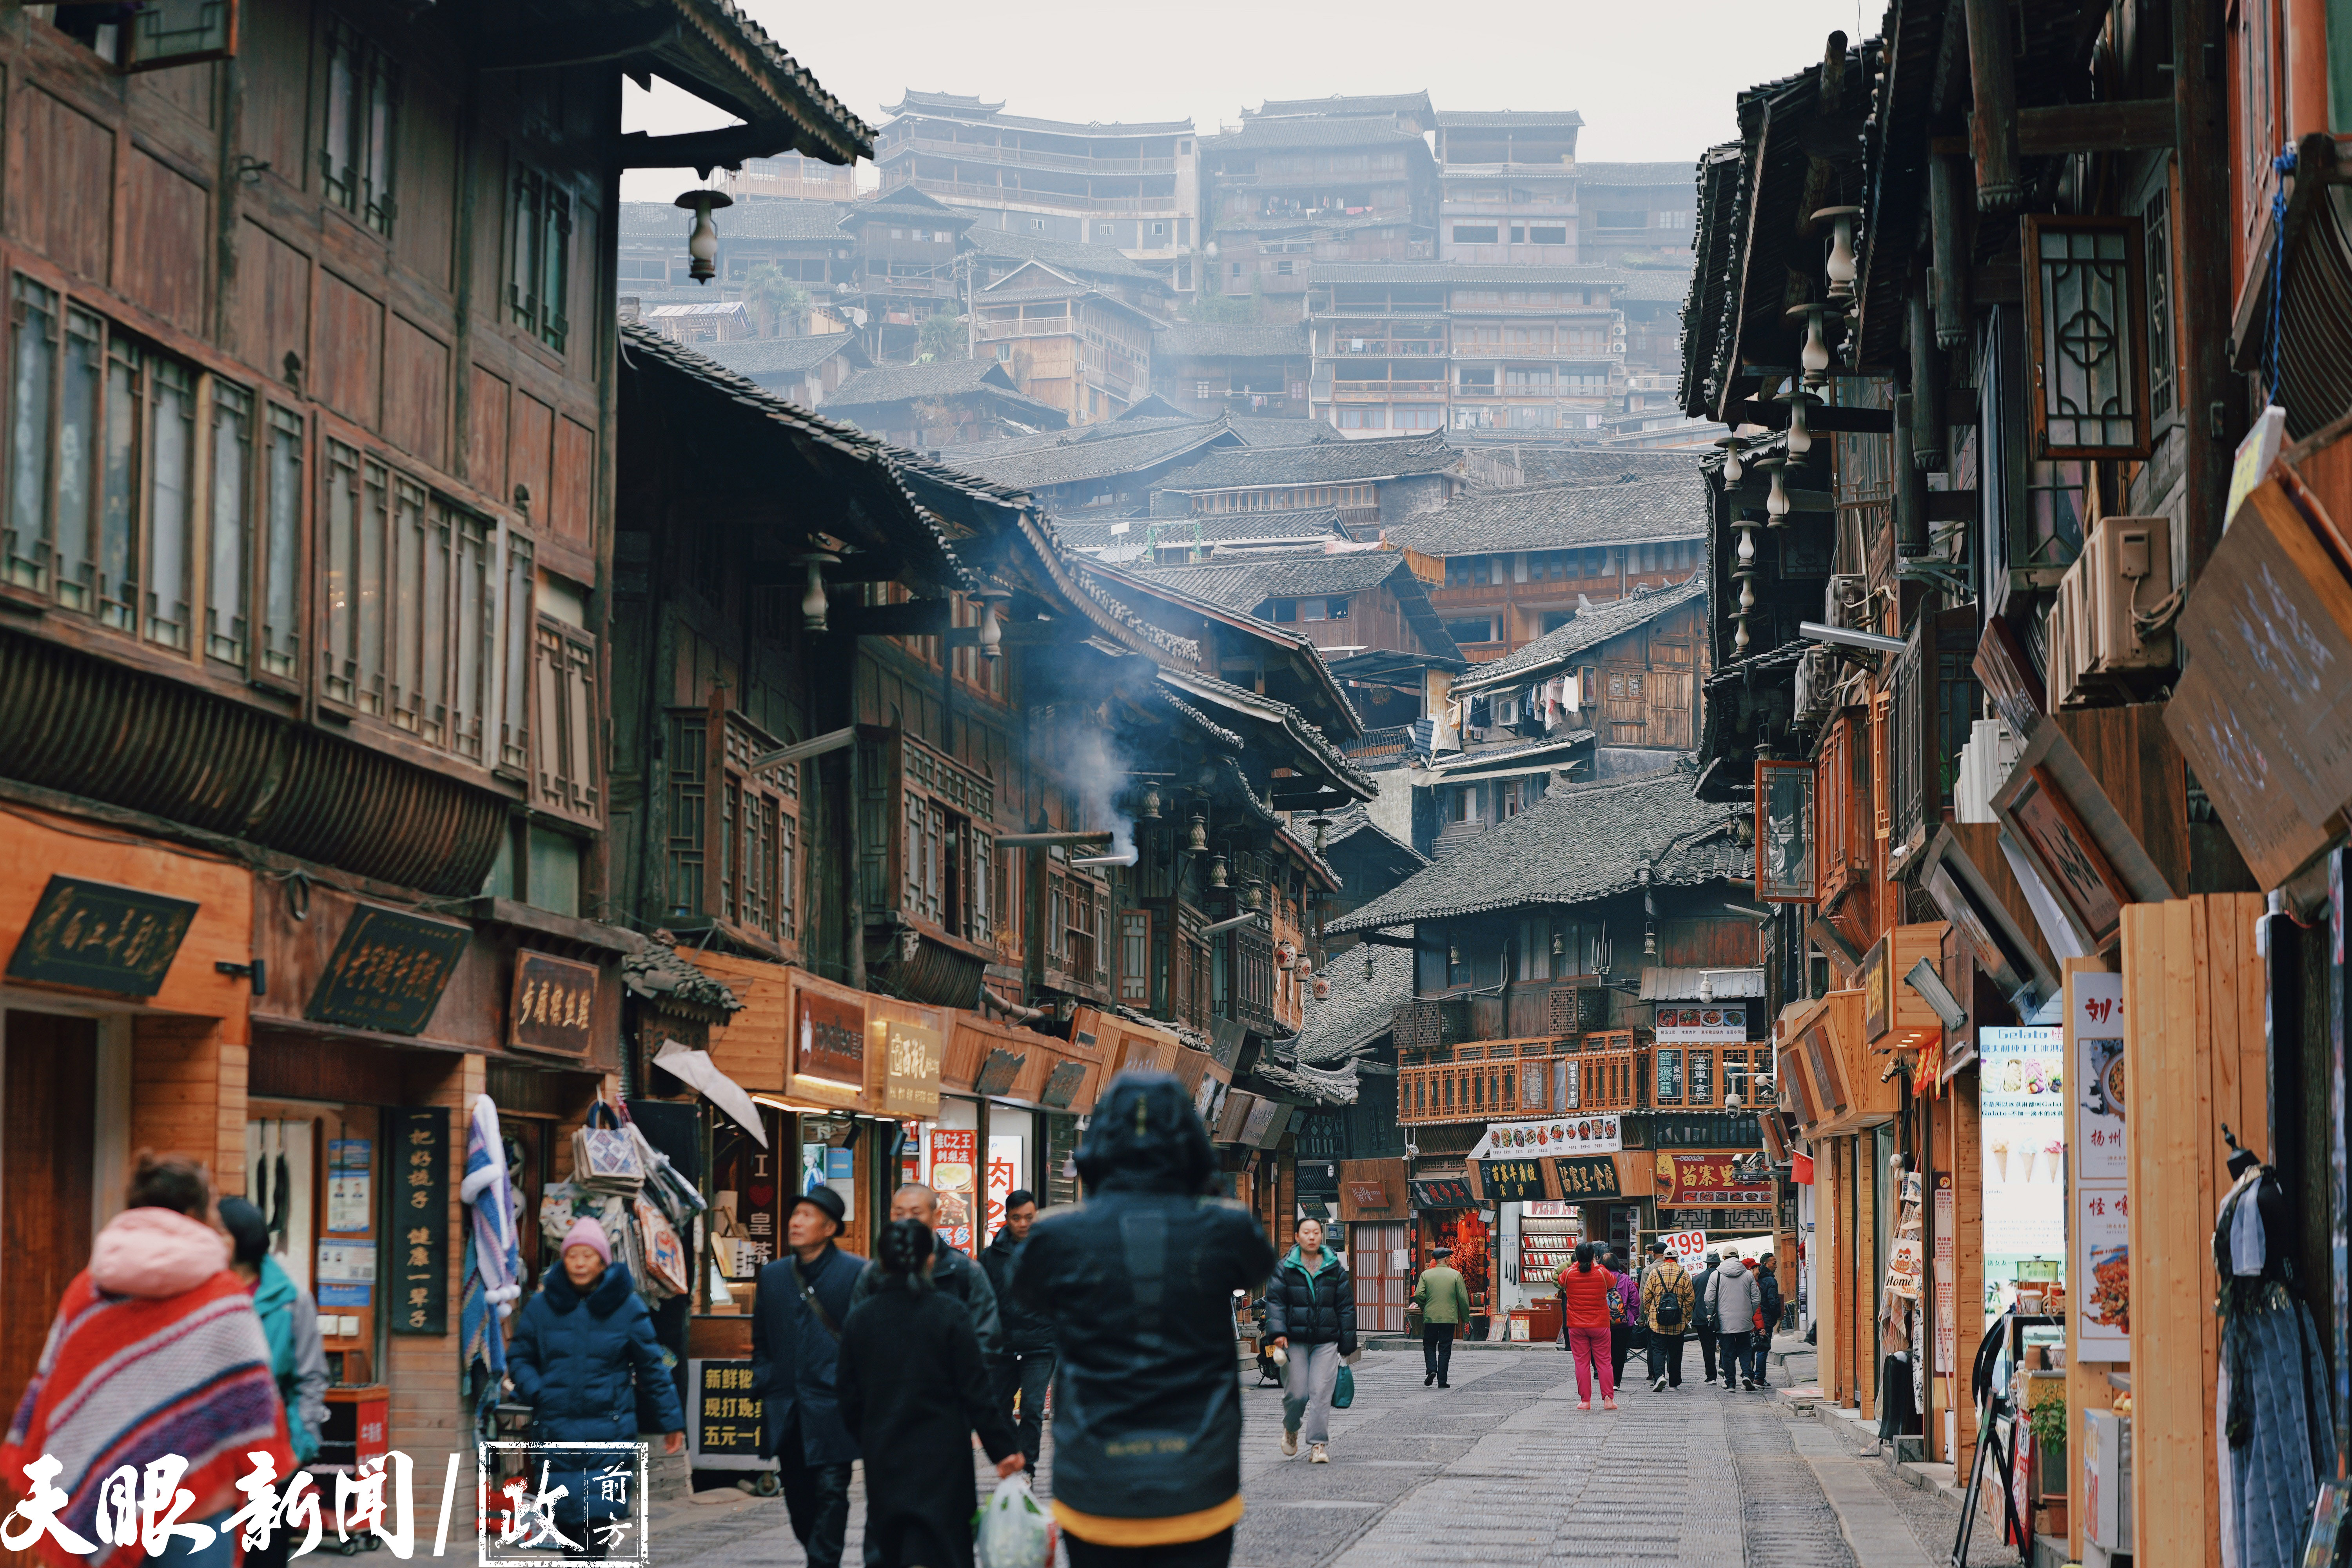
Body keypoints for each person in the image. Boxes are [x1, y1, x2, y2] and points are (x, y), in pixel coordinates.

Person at [1011, 1073, 1276, 1568]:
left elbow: (1029, 1294)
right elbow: (1257, 1267)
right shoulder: (1226, 1228)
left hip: (1095, 1478)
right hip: (1199, 1477)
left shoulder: (1054, 1237)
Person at [0, 1152, 294, 1568]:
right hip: (196, 1507)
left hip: (106, 1505)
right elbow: (252, 1400)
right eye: (211, 1206)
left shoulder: (87, 1290)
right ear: (194, 1212)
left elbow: (55, 1392)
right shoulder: (221, 1294)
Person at [839, 1218, 1024, 1568]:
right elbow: (977, 1390)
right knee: (949, 1548)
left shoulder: (861, 1319)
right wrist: (1003, 1450)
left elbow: (847, 1393)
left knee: (888, 1546)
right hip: (944, 1456)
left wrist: (866, 1436)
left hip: (884, 1451)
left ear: (881, 1262)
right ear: (929, 1261)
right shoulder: (949, 1313)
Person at [506, 1216, 686, 1557]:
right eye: (573, 1255)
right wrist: (538, 1391)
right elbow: (519, 1358)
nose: (580, 1263)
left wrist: (672, 1421)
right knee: (567, 1527)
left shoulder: (627, 1308)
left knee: (597, 1530)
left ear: (603, 1261)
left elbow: (651, 1367)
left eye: (588, 1255)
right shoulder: (542, 1308)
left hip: (610, 1433)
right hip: (557, 1431)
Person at [752, 1187, 865, 1568]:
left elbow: (868, 1340)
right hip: (788, 1409)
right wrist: (766, 1379)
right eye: (795, 1214)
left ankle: (823, 1562)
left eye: (806, 1215)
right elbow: (761, 1340)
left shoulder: (856, 1273)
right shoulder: (773, 1276)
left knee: (832, 1491)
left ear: (830, 1227)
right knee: (799, 1499)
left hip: (834, 1408)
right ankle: (817, 1554)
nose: (795, 1222)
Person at [218, 1196, 328, 1568]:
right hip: (211, 1462)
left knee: (263, 1559)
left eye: (215, 1233)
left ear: (233, 1242)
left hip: (270, 1461)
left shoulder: (292, 1301)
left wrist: (299, 1445)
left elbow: (311, 1378)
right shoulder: (203, 1295)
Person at [849, 1182, 1002, 1358]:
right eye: (899, 1213)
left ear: (936, 1216)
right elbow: (856, 1335)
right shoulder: (873, 1272)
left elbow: (987, 1339)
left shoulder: (964, 1270)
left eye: (916, 1213)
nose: (907, 1219)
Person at [1264, 1217, 1357, 1464]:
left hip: (1326, 1341)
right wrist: (1279, 1332)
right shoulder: (1285, 1267)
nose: (1312, 1237)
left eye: (1316, 1232)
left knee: (1320, 1392)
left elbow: (1345, 1307)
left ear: (1321, 1235)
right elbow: (1275, 1302)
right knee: (1297, 1394)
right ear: (1297, 1237)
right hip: (1293, 1340)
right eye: (1306, 1232)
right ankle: (1292, 1427)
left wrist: (1347, 1342)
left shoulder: (1334, 1267)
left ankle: (1318, 1444)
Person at [979, 1187, 1054, 1475]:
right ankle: (1015, 1457)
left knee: (1033, 1409)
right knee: (998, 1407)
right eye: (1016, 1218)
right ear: (1007, 1219)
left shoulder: (1050, 1252)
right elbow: (981, 1301)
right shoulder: (990, 1257)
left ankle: (1029, 1469)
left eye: (1029, 1217)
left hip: (1041, 1343)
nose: (1024, 1224)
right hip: (1004, 1345)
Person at [1553, 1241, 1617, 1410]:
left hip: (1576, 1325)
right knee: (1604, 1362)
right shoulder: (1602, 1273)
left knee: (1581, 1363)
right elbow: (1612, 1283)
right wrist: (1595, 1264)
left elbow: (1561, 1281)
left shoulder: (1569, 1274)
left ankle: (1585, 1401)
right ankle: (1608, 1399)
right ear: (1593, 1257)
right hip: (1600, 1324)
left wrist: (1577, 1263)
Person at [1707, 1249, 1764, 1393]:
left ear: (1724, 1258)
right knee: (1745, 1348)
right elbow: (1757, 1298)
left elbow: (1709, 1299)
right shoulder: (1747, 1275)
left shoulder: (1716, 1275)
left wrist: (1711, 1313)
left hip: (1724, 1320)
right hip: (1744, 1320)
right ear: (1738, 1258)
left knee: (1727, 1351)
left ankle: (1731, 1383)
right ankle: (1746, 1375)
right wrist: (1749, 1313)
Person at [1413, 1247, 1470, 1389]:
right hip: (1449, 1318)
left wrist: (1425, 1305)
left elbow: (1419, 1295)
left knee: (1429, 1344)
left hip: (1431, 1318)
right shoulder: (1456, 1275)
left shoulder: (1426, 1275)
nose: (1450, 1260)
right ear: (1445, 1259)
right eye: (1450, 1258)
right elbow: (1463, 1299)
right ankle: (1442, 1381)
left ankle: (1432, 1368)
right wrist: (1466, 1318)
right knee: (1445, 1348)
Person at [1640, 1241, 1694, 1392]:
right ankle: (1674, 1383)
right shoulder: (1684, 1274)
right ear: (1678, 1259)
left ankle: (1659, 1377)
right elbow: (1690, 1299)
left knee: (1658, 1349)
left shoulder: (1655, 1273)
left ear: (1664, 1258)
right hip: (1678, 1322)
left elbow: (1647, 1296)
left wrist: (1649, 1312)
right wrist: (1686, 1316)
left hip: (1657, 1320)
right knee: (1676, 1352)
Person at [1604, 1249, 1642, 1390]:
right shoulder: (1626, 1280)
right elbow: (1636, 1300)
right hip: (1624, 1323)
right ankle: (1616, 1381)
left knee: (1604, 1351)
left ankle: (1604, 1378)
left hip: (1603, 1322)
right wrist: (1633, 1316)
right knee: (1620, 1352)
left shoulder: (1600, 1278)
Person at [1754, 1254, 1786, 1389]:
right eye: (1774, 1263)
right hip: (1766, 1319)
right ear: (1765, 1264)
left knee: (1752, 1348)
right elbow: (1773, 1301)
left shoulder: (1755, 1279)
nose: (1776, 1266)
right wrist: (1778, 1315)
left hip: (1754, 1318)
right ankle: (1760, 1379)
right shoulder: (1770, 1281)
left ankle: (1749, 1376)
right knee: (1763, 1348)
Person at [1693, 1249, 1724, 1384]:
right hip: (1722, 1317)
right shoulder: (1724, 1277)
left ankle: (1711, 1376)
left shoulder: (1697, 1278)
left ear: (1708, 1264)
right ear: (1718, 1263)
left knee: (1708, 1348)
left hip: (1702, 1318)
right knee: (1725, 1344)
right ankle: (1724, 1367)